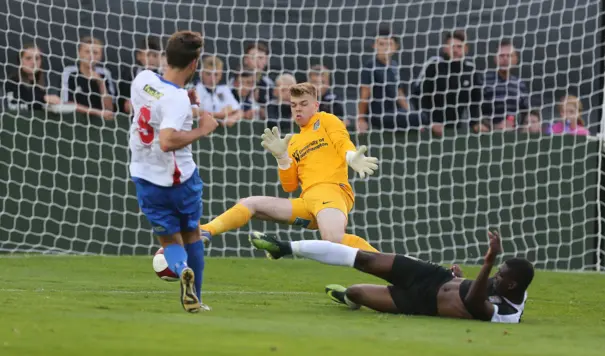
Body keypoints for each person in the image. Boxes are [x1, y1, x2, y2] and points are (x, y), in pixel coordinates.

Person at [200, 82, 380, 252]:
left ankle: (395, 268)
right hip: (306, 202)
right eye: (294, 105)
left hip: (331, 192)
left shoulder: (326, 120)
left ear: (316, 105)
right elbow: (290, 186)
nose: (298, 108)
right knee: (248, 203)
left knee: (333, 240)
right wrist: (282, 158)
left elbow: (341, 141)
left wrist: (350, 155)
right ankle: (206, 230)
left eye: (303, 103)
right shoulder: (292, 142)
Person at [249, 230, 534, 323]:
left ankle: (346, 296)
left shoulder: (506, 314)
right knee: (365, 258)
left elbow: (474, 303)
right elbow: (474, 289)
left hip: (421, 303)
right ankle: (284, 247)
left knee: (358, 292)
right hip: (434, 276)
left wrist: (488, 262)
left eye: (499, 275)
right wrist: (462, 276)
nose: (495, 277)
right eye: (496, 272)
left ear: (512, 285)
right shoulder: (511, 288)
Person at [128, 30, 219, 313]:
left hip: (145, 177)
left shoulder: (142, 79)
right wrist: (201, 129)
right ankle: (196, 298)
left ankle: (180, 269)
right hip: (178, 180)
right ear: (194, 65)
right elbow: (167, 140)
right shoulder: (176, 99)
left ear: (166, 57)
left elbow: (156, 109)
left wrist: (186, 105)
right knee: (192, 234)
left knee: (168, 240)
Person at [4, 43, 62, 111]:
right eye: (28, 58)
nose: (33, 62)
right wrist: (43, 100)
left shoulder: (43, 84)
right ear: (20, 61)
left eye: (37, 58)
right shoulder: (11, 82)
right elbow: (12, 107)